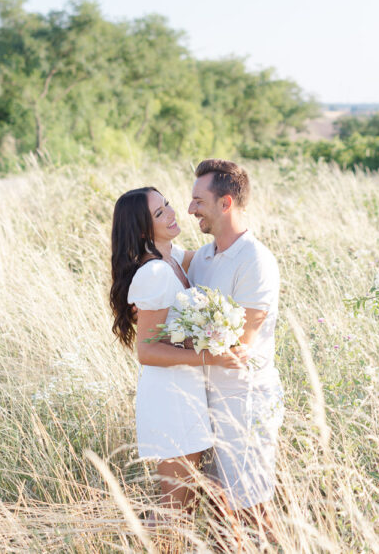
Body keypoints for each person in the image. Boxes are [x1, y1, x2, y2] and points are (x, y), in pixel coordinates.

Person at [109, 186, 249, 514]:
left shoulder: (170, 258)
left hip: (186, 392)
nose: (172, 213)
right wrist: (209, 356)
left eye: (167, 204)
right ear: (144, 230)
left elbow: (211, 256)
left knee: (186, 505)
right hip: (169, 398)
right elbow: (146, 351)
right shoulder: (155, 272)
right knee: (175, 507)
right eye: (160, 214)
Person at [187, 159, 283, 524]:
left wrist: (169, 351)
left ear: (225, 203)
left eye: (198, 200)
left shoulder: (255, 260)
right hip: (206, 397)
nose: (191, 208)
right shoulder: (204, 257)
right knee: (218, 505)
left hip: (246, 400)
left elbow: (241, 340)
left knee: (250, 507)